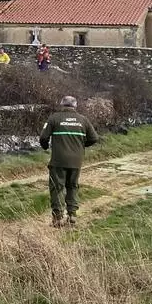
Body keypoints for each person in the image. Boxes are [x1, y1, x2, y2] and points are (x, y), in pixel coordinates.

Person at [40, 96, 99, 227]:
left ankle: (58, 218)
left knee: (57, 188)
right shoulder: (83, 120)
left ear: (62, 104)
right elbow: (94, 138)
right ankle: (72, 216)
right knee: (73, 186)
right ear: (75, 106)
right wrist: (81, 146)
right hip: (76, 160)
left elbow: (43, 137)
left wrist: (45, 147)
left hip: (58, 160)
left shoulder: (54, 118)